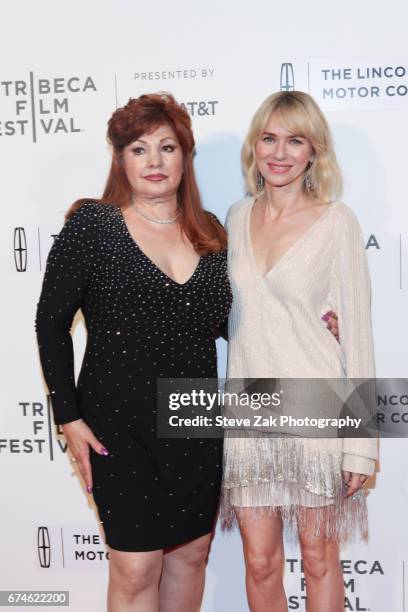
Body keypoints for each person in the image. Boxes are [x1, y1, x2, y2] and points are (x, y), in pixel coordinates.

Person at [35, 93, 232, 612]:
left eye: (167, 148)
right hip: (117, 421)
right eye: (139, 149)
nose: (154, 162)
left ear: (185, 157)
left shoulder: (211, 233)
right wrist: (68, 417)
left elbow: (237, 326)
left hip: (194, 417)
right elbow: (50, 323)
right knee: (136, 565)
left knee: (191, 555)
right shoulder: (93, 226)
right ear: (120, 159)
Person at [221, 91, 377, 612]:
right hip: (248, 412)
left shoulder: (338, 223)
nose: (280, 153)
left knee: (317, 557)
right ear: (254, 147)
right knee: (259, 561)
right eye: (269, 138)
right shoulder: (236, 218)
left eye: (295, 140)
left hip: (317, 411)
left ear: (315, 152)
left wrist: (361, 445)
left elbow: (357, 337)